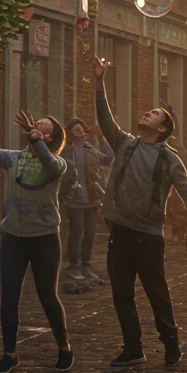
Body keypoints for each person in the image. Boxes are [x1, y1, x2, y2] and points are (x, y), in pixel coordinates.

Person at [93, 55, 187, 367]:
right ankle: (133, 347)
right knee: (122, 293)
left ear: (162, 127)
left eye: (154, 113)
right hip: (121, 231)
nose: (146, 113)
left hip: (149, 235)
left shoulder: (169, 158)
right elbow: (104, 117)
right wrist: (99, 81)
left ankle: (170, 344)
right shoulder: (125, 143)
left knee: (156, 292)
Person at [0, 92, 73, 373]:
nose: (35, 125)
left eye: (42, 125)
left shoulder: (57, 163)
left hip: (44, 239)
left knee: (47, 296)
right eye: (35, 123)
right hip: (14, 238)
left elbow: (51, 166)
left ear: (50, 138)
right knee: (9, 296)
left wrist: (35, 140)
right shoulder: (14, 158)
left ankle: (64, 347)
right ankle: (10, 353)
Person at [61, 118, 112, 282]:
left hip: (92, 197)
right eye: (76, 129)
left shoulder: (90, 149)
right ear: (70, 133)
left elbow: (108, 158)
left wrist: (102, 138)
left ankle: (86, 264)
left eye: (81, 128)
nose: (80, 131)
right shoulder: (67, 150)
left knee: (90, 232)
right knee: (76, 232)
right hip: (74, 197)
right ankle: (73, 266)